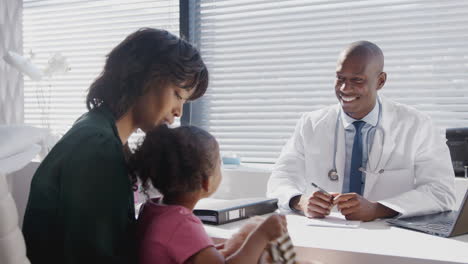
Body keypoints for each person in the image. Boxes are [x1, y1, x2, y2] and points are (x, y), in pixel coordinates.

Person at [22, 28, 209, 264]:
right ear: (147, 76)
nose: (179, 111)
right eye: (178, 95)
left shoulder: (97, 129)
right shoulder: (98, 148)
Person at [267, 40, 455, 222]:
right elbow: (281, 177)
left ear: (380, 81)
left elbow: (440, 191)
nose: (344, 88)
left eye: (357, 80)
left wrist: (377, 209)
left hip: (390, 235)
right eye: (340, 78)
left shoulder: (417, 125)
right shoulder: (311, 124)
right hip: (325, 230)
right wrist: (300, 201)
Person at [129, 125, 287, 264]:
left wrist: (222, 249)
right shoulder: (182, 224)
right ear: (206, 181)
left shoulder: (150, 209)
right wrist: (261, 235)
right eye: (219, 163)